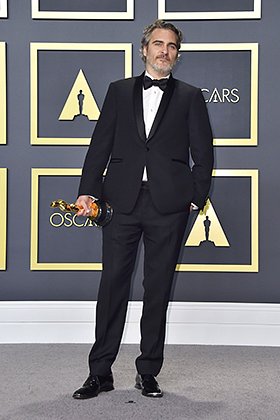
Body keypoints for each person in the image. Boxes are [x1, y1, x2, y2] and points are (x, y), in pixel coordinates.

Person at [72, 19, 213, 399]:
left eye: (171, 46)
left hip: (169, 206)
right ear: (144, 49)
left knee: (157, 290)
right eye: (157, 44)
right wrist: (88, 192)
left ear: (177, 54)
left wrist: (195, 199)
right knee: (112, 286)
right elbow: (99, 146)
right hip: (120, 203)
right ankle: (99, 372)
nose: (164, 51)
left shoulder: (190, 96)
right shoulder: (118, 92)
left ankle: (147, 372)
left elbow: (203, 155)